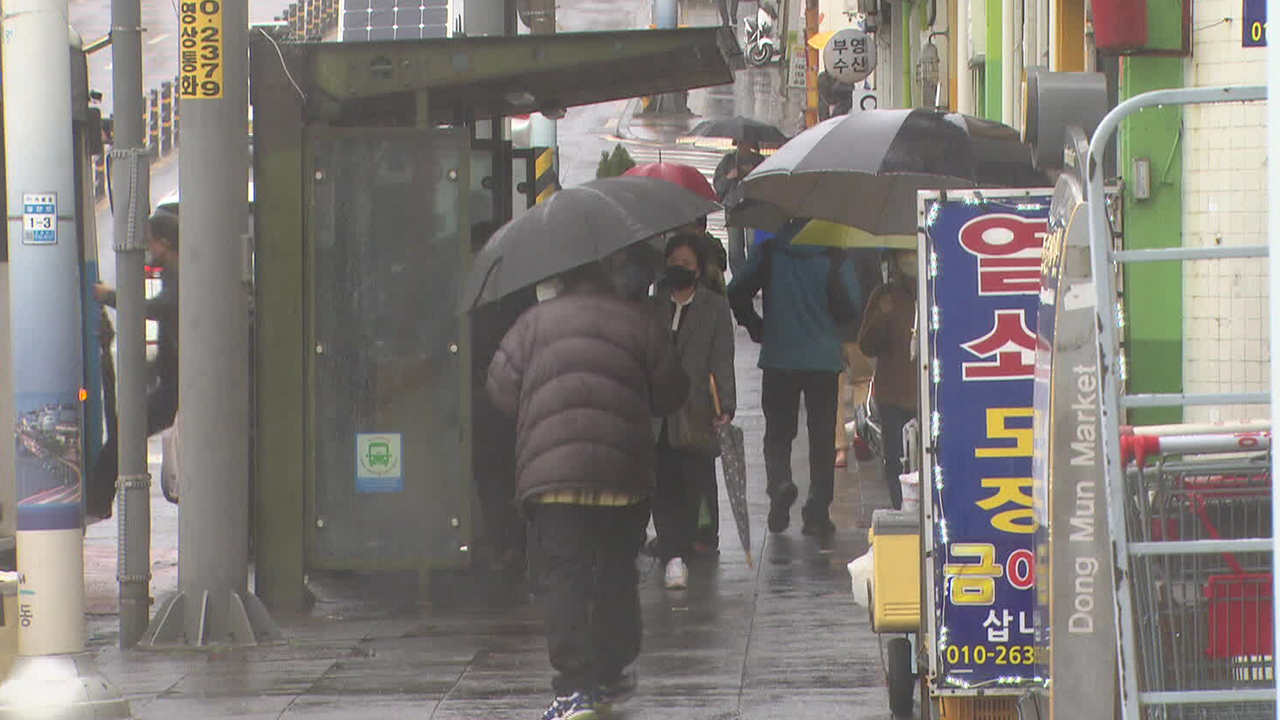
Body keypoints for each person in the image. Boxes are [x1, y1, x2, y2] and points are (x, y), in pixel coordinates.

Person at [487, 256, 689, 720]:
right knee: (617, 569)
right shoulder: (637, 320)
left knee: (565, 576)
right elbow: (672, 391)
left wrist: (538, 413)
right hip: (623, 471)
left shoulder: (533, 322)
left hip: (553, 474)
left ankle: (574, 687)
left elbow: (500, 387)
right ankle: (612, 671)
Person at [727, 227, 861, 545]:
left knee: (777, 434)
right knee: (821, 437)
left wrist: (757, 325)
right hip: (823, 360)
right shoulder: (833, 252)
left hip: (779, 357)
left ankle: (780, 484)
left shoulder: (771, 250)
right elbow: (853, 303)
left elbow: (736, 290)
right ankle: (816, 513)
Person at [650, 234, 736, 589]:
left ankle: (688, 543)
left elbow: (722, 359)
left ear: (699, 270)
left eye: (686, 264)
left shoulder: (714, 309)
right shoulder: (653, 305)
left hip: (696, 410)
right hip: (657, 413)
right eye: (673, 263)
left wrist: (726, 406)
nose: (678, 269)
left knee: (695, 484)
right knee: (662, 485)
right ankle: (673, 553)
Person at [93, 206, 180, 439]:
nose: (149, 249)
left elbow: (154, 307)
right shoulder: (173, 272)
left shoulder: (181, 275)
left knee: (128, 433)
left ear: (164, 243)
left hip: (179, 387)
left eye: (151, 242)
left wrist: (107, 296)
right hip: (174, 382)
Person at [857, 249, 920, 510]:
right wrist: (882, 315)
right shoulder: (884, 296)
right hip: (892, 395)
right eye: (904, 256)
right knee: (895, 458)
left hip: (926, 393)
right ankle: (900, 509)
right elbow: (867, 344)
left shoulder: (936, 291)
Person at [713, 139, 765, 277]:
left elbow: (768, 184)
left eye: (747, 143)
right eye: (741, 143)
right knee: (735, 249)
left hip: (753, 208)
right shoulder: (728, 160)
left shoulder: (760, 160)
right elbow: (718, 186)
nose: (744, 147)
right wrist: (730, 176)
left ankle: (752, 278)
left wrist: (755, 173)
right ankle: (738, 278)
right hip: (732, 208)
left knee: (753, 245)